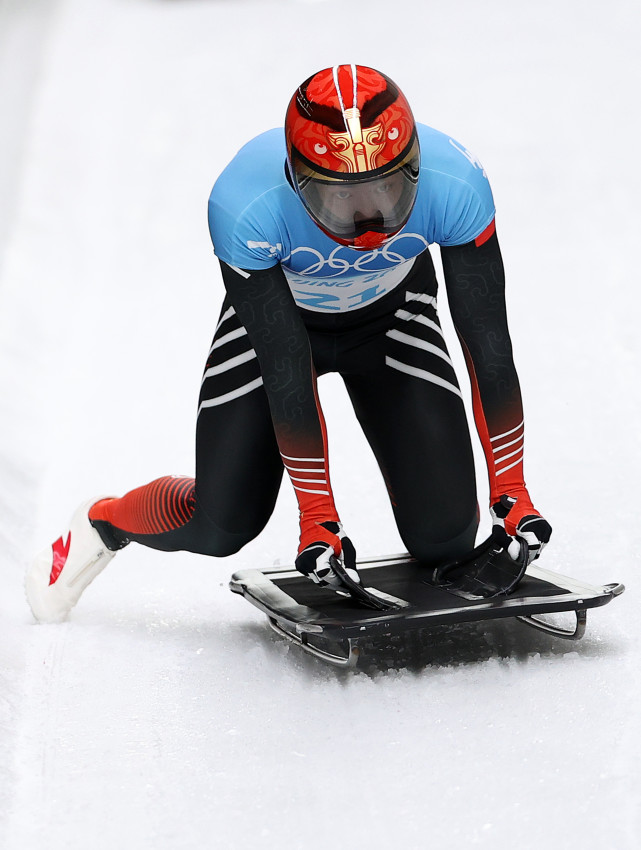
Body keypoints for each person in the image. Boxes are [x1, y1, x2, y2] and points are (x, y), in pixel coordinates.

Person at [26, 64, 551, 623]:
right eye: (339, 199)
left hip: (393, 317)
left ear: (417, 167)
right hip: (279, 332)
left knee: (446, 537)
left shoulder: (459, 184)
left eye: (389, 189)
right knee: (223, 522)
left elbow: (489, 344)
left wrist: (513, 491)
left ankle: (442, 519)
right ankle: (103, 523)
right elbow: (284, 363)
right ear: (296, 180)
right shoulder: (244, 202)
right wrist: (317, 514)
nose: (368, 221)